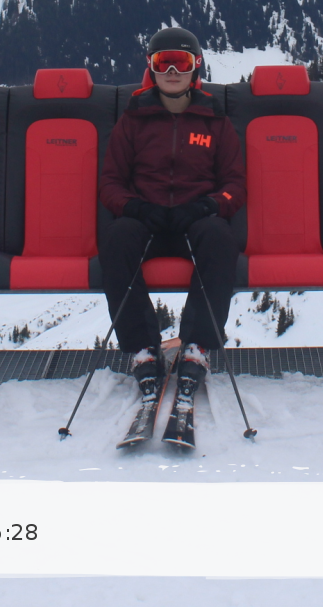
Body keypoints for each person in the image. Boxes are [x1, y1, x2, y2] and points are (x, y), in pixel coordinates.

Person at [98, 26, 244, 404]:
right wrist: (134, 207)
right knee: (116, 239)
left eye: (182, 62)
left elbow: (235, 184)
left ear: (196, 67)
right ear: (151, 67)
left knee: (219, 238)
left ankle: (198, 345)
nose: (173, 72)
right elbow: (110, 182)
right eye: (164, 63)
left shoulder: (214, 121)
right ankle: (143, 348)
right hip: (147, 220)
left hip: (194, 220)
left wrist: (208, 206)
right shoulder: (134, 120)